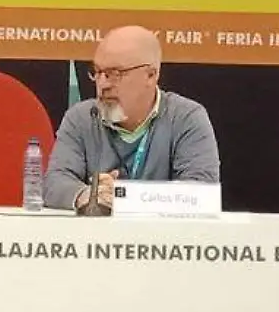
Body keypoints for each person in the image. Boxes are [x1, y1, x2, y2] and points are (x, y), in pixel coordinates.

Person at [44, 25, 220, 211]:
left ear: (151, 75)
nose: (102, 84)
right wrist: (88, 195)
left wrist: (124, 195)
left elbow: (202, 191)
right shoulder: (81, 118)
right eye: (97, 72)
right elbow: (54, 182)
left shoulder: (186, 117)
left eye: (115, 74)